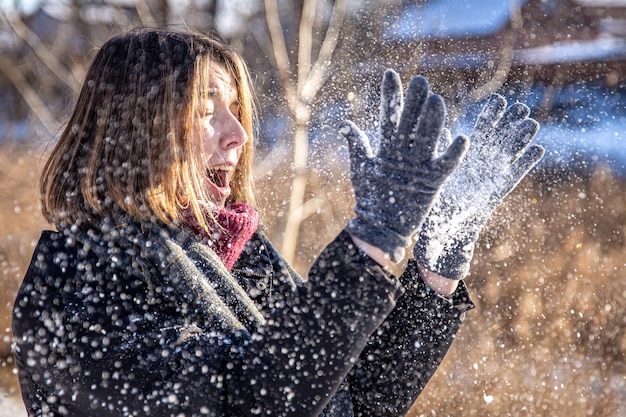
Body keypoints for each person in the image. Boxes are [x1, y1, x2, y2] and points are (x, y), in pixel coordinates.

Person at [11, 28, 544, 417]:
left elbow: (350, 401)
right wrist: (370, 245)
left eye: (236, 108)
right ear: (136, 130)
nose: (237, 135)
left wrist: (431, 274)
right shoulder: (80, 288)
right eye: (205, 108)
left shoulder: (234, 258)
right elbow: (249, 399)